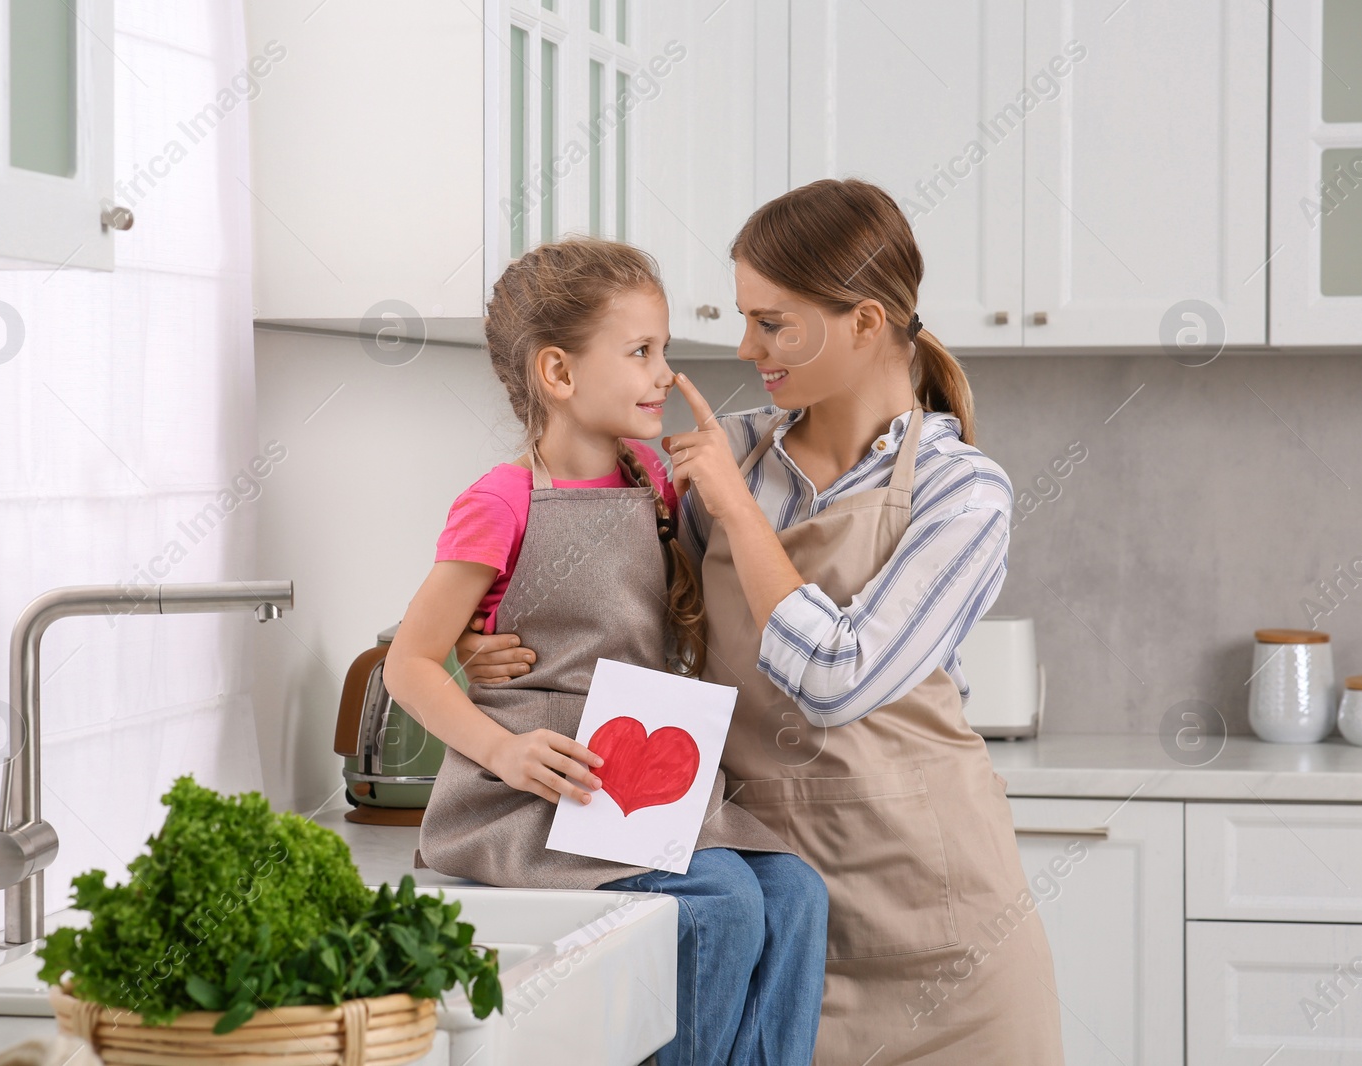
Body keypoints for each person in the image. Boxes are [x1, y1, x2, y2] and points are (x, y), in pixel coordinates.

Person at [456, 181, 1066, 1065]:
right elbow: (618, 606)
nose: (746, 348)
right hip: (775, 909)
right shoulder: (725, 451)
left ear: (861, 322)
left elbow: (836, 678)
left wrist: (741, 513)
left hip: (941, 927)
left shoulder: (962, 491)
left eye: (771, 324)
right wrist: (491, 639)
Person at [383, 237, 828, 1066]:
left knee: (796, 893)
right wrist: (504, 749)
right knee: (724, 903)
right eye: (641, 352)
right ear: (558, 373)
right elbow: (408, 662)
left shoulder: (654, 481)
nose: (665, 372)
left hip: (637, 782)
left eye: (662, 350)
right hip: (534, 792)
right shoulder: (500, 500)